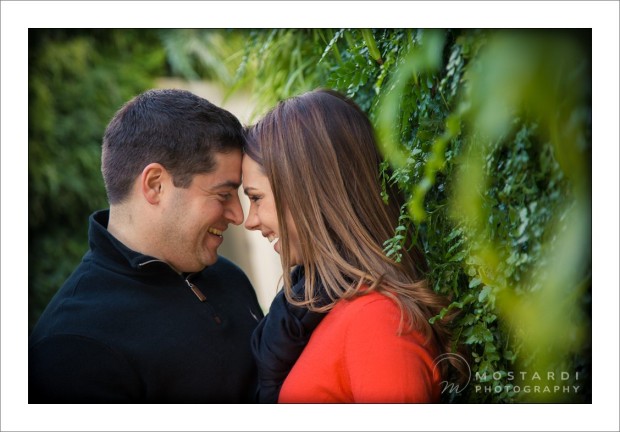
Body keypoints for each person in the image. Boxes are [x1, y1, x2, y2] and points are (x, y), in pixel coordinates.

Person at [28, 88, 264, 403]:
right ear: (155, 185)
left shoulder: (228, 277)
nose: (238, 215)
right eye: (223, 195)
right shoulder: (73, 342)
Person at [243, 89, 464, 403]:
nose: (249, 220)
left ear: (307, 191)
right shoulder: (321, 308)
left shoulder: (378, 322)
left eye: (256, 198)